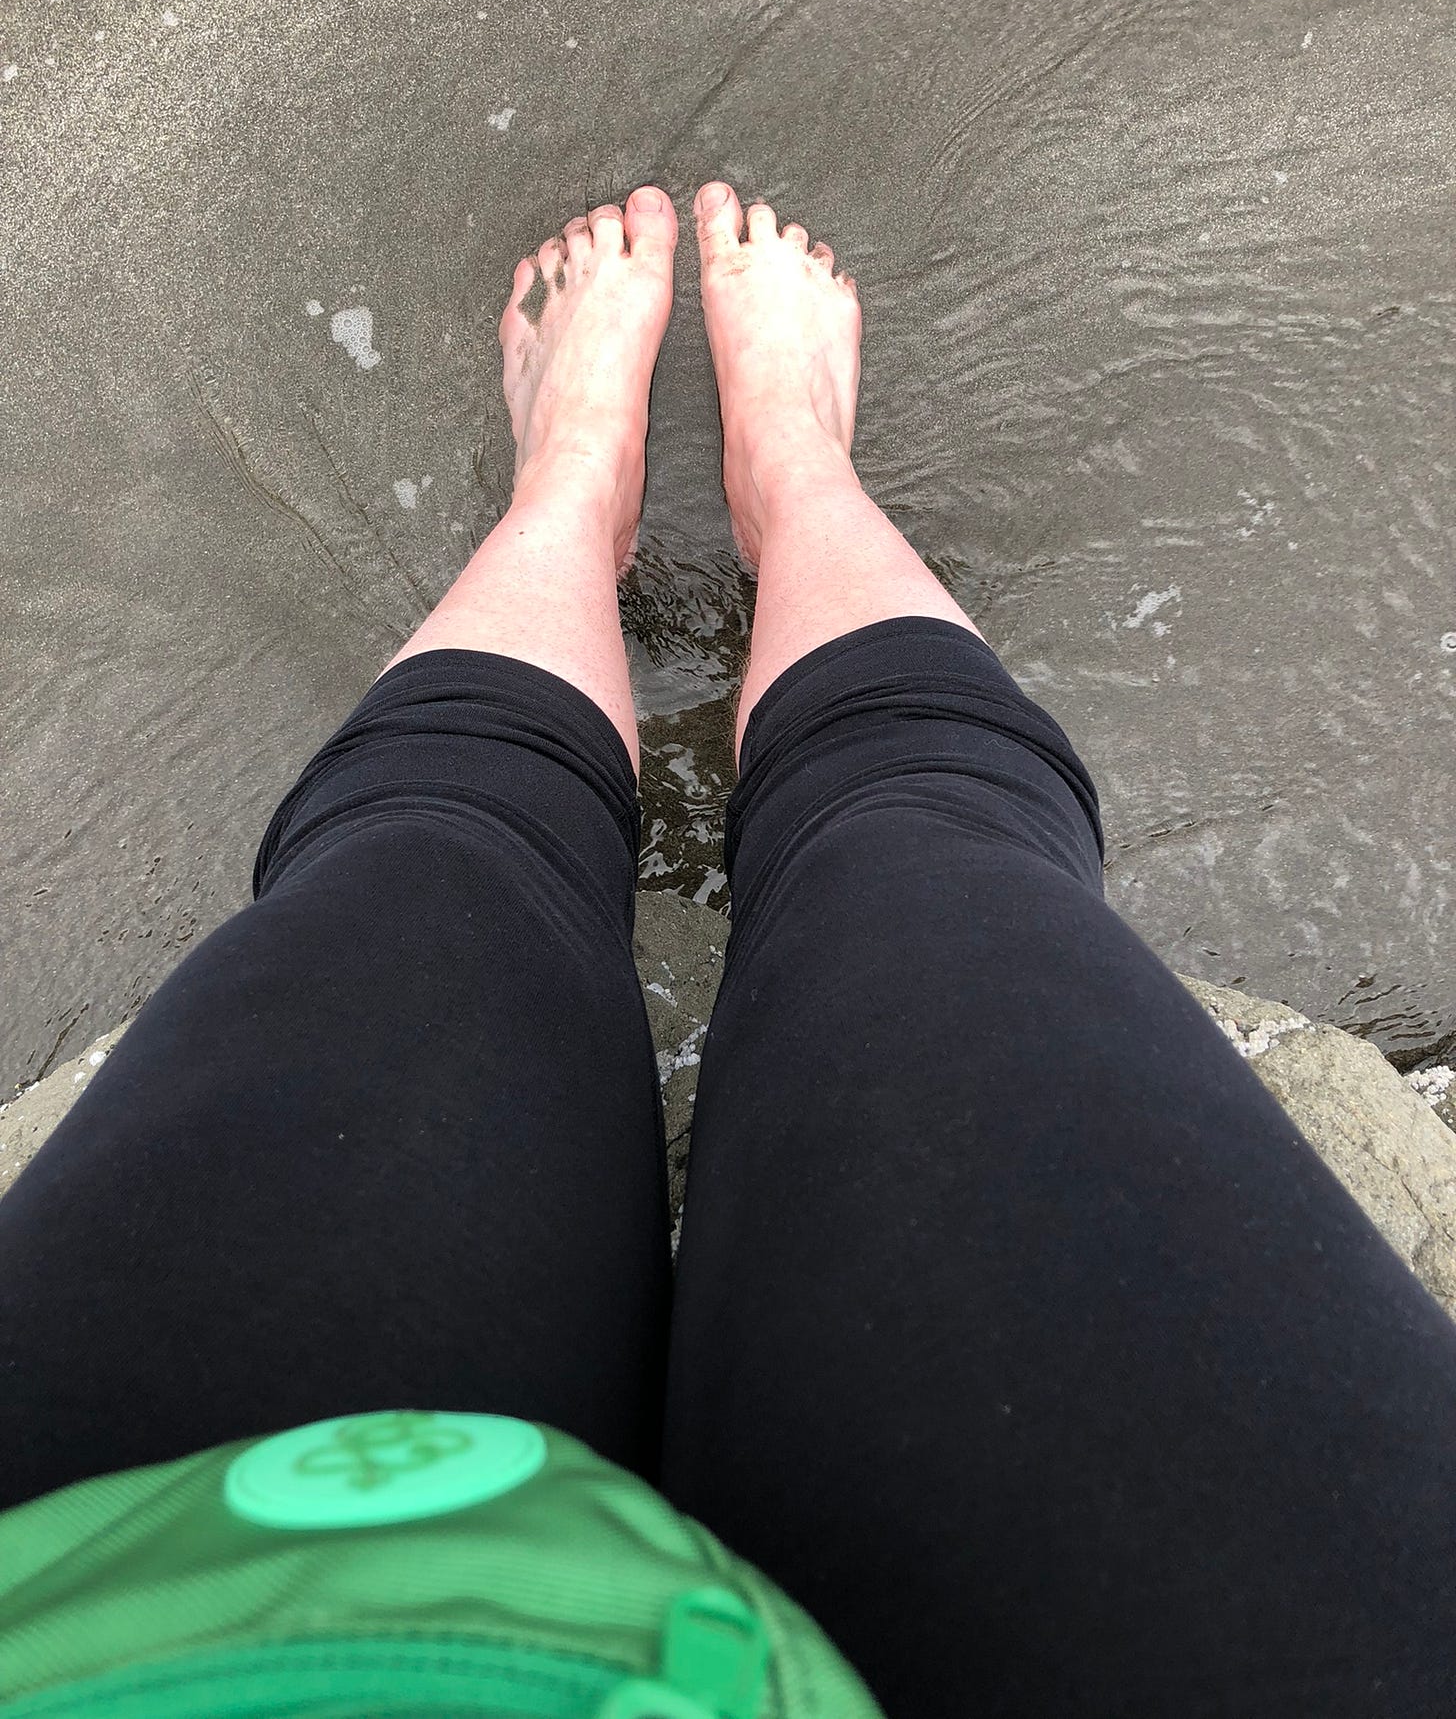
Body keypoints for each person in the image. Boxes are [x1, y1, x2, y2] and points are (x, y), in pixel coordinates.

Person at [1, 181, 1454, 1719]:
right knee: (926, 858)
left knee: (433, 870)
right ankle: (792, 476)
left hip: (146, 1618)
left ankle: (577, 492)